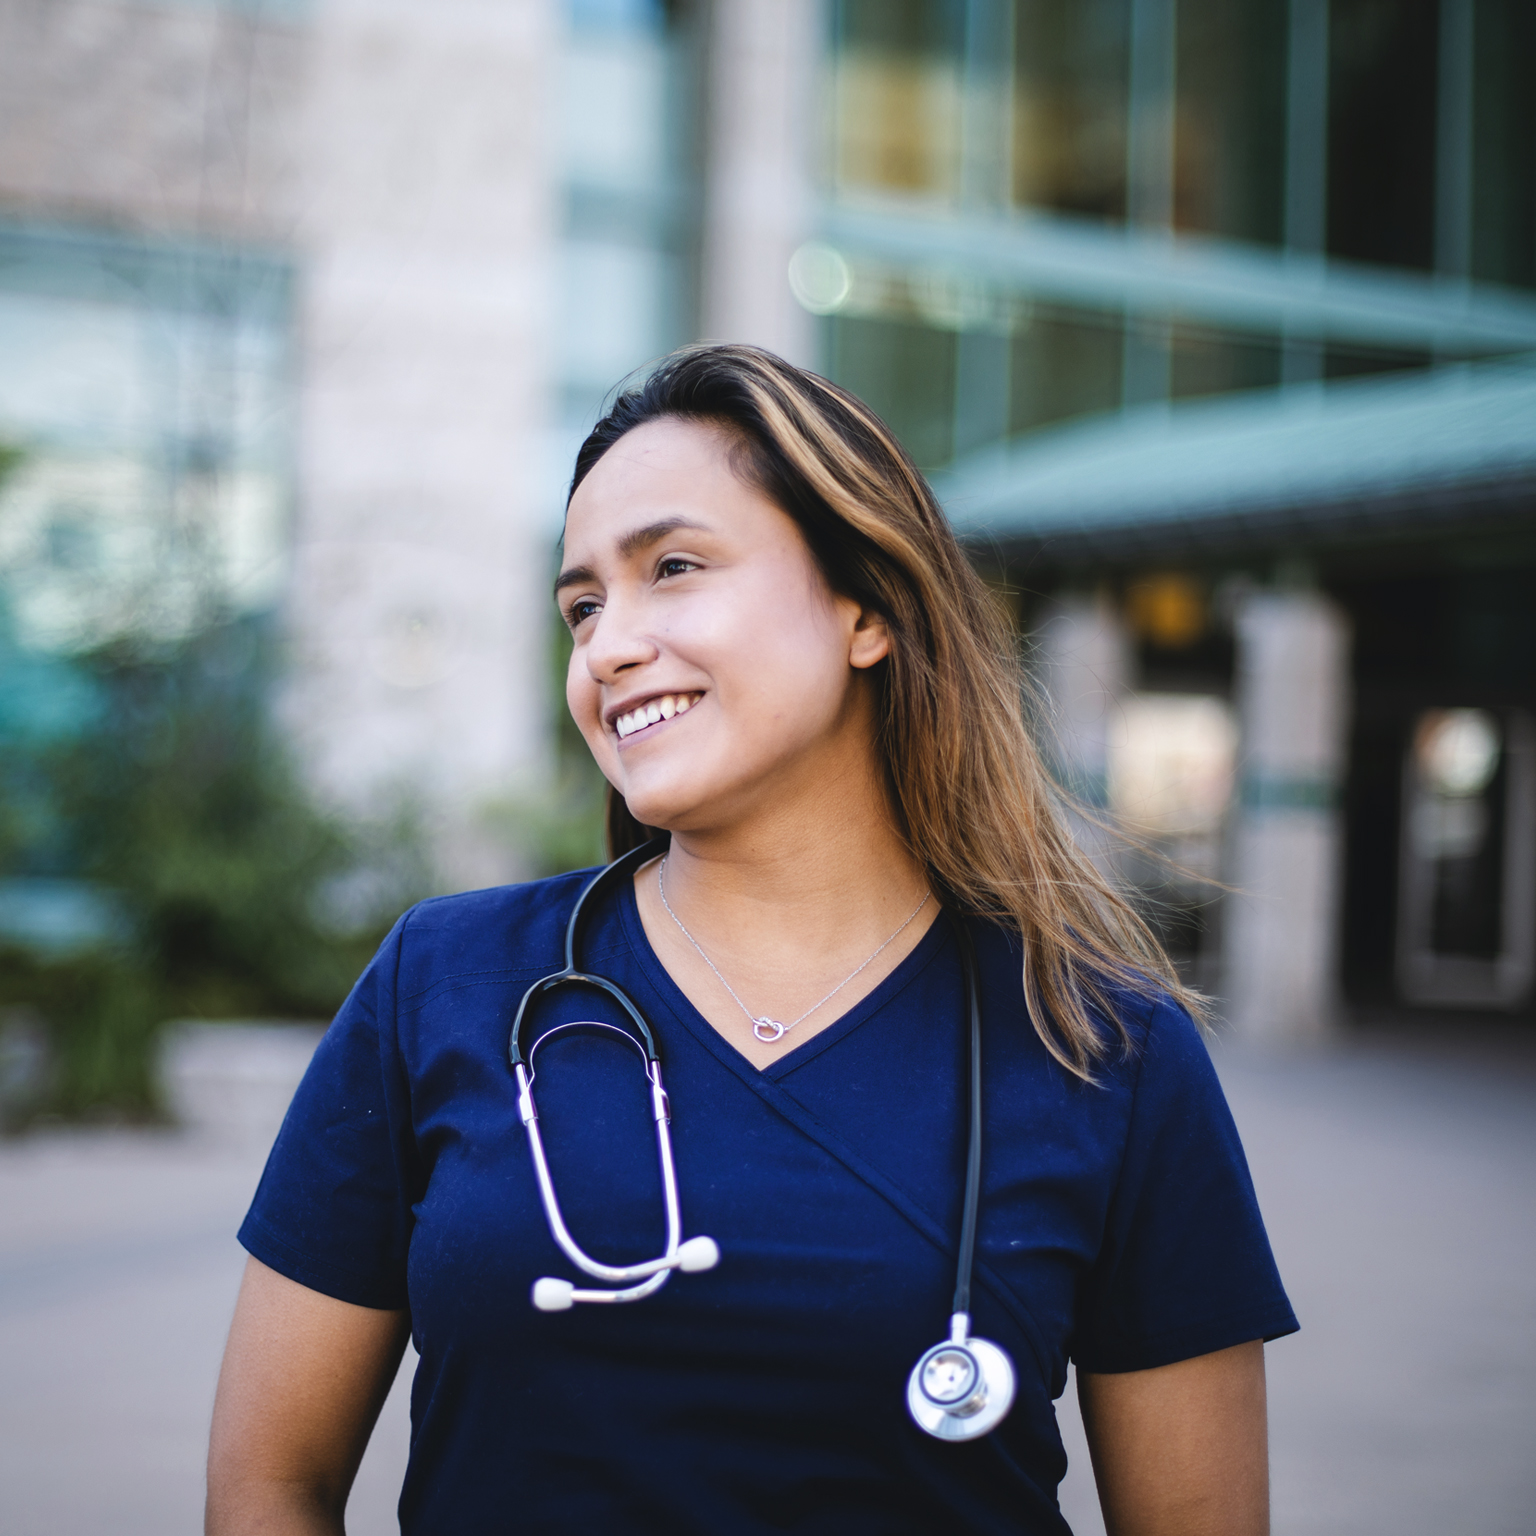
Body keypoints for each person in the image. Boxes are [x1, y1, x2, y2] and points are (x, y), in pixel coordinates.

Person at [207, 344, 1296, 1535]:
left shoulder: (1105, 1049)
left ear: (867, 608)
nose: (607, 645)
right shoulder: (442, 984)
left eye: (673, 567)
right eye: (582, 605)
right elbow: (271, 1483)